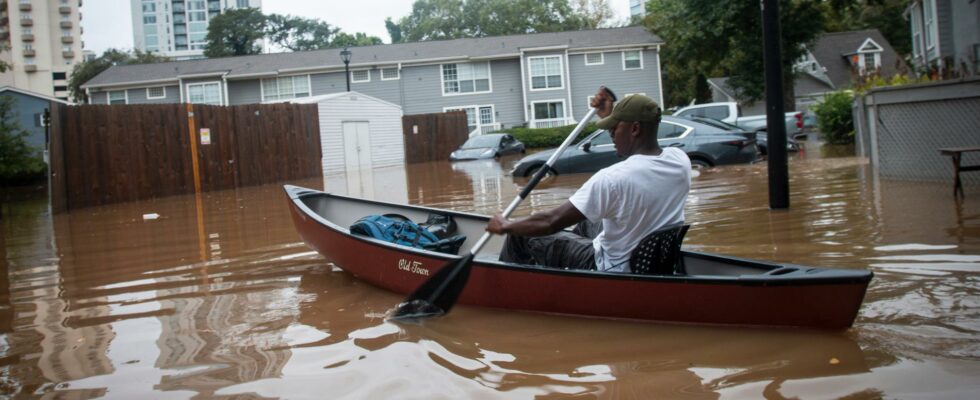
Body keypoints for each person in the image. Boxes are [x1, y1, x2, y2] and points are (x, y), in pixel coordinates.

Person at [486, 88, 691, 273]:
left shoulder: (611, 179)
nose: (610, 134)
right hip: (649, 259)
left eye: (614, 128)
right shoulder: (679, 160)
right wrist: (612, 114)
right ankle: (563, 268)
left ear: (635, 129)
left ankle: (510, 282)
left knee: (521, 233)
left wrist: (506, 225)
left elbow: (550, 222)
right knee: (586, 218)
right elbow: (639, 165)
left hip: (611, 266)